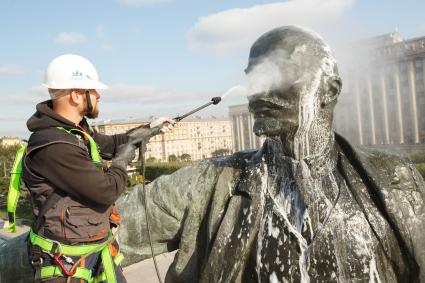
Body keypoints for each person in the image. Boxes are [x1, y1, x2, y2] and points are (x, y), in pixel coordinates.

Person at [1, 26, 425, 282]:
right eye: (254, 77)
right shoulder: (207, 184)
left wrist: (139, 133)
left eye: (282, 72)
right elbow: (96, 228)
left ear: (329, 90)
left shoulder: (396, 183)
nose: (260, 89)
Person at [20, 54, 174, 283]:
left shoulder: (76, 133)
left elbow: (112, 145)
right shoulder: (54, 145)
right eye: (92, 90)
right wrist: (121, 163)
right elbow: (106, 191)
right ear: (75, 96)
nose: (98, 95)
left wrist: (150, 129)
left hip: (96, 254)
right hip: (65, 266)